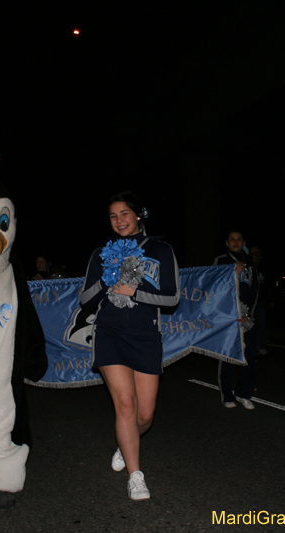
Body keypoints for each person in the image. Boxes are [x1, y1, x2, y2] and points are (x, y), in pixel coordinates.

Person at [79, 191, 180, 501]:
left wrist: (134, 292)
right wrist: (107, 281)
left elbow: (172, 298)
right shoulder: (101, 253)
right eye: (113, 216)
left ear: (138, 215)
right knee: (125, 404)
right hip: (109, 333)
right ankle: (136, 476)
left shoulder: (161, 250)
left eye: (124, 213)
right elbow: (85, 299)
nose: (119, 220)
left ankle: (126, 444)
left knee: (145, 415)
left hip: (145, 336)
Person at [215, 231, 260, 409]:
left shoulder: (250, 263)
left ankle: (244, 393)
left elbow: (255, 290)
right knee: (227, 356)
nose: (235, 242)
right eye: (232, 239)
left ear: (244, 242)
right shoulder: (221, 260)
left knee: (250, 355)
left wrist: (249, 316)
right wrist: (232, 274)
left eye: (239, 239)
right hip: (228, 315)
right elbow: (214, 286)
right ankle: (227, 395)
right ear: (227, 242)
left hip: (246, 316)